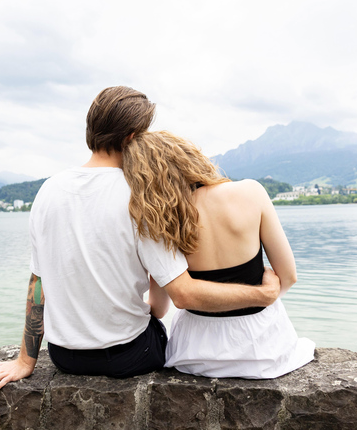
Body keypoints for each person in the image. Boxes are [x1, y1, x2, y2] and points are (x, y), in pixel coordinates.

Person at [0, 86, 281, 393]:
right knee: (159, 328)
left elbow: (37, 283)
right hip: (128, 357)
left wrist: (24, 362)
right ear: (132, 138)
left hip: (63, 357)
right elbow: (183, 296)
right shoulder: (141, 197)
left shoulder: (47, 191)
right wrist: (262, 295)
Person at [122, 130, 315, 379]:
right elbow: (288, 277)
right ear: (190, 157)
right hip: (263, 349)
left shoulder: (161, 222)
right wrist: (261, 297)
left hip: (195, 353)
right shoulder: (251, 192)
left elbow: (159, 309)